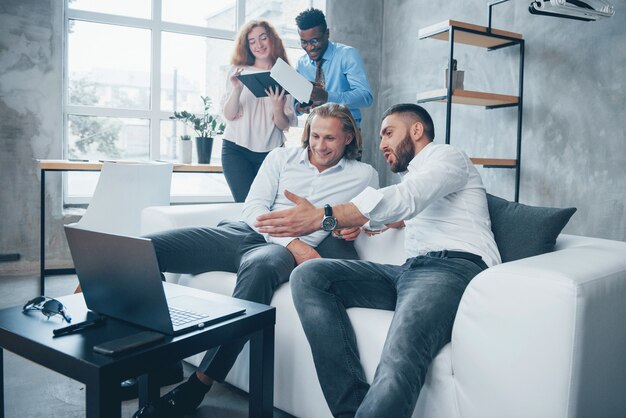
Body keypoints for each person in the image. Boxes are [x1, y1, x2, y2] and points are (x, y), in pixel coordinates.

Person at [132, 103, 379, 418]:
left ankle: (199, 384)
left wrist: (357, 225)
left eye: (329, 138)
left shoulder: (364, 175)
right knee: (143, 250)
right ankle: (159, 363)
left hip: (277, 253)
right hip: (246, 233)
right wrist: (294, 242)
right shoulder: (281, 158)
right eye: (315, 135)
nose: (319, 145)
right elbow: (253, 208)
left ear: (348, 138)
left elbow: (376, 213)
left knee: (261, 267)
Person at [255, 103, 501, 418]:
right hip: (411, 271)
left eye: (388, 132)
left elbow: (407, 199)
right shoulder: (416, 178)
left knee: (400, 354)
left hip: (452, 268)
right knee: (311, 276)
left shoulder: (447, 157)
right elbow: (401, 211)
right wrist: (363, 223)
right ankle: (351, 411)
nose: (382, 143)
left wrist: (324, 216)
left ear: (416, 130)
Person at [221, 20, 298, 202]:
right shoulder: (238, 71)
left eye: (263, 38)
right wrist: (237, 88)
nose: (258, 45)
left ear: (272, 40)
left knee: (268, 207)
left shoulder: (286, 75)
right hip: (236, 150)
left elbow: (284, 126)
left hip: (271, 153)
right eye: (252, 41)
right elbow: (229, 115)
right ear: (246, 45)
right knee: (245, 207)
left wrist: (278, 107)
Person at [295, 8, 373, 128]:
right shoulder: (301, 64)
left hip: (346, 132)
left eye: (314, 41)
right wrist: (299, 108)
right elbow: (297, 107)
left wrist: (327, 96)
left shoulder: (347, 55)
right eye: (304, 42)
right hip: (315, 130)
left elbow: (365, 97)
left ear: (327, 34)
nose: (310, 47)